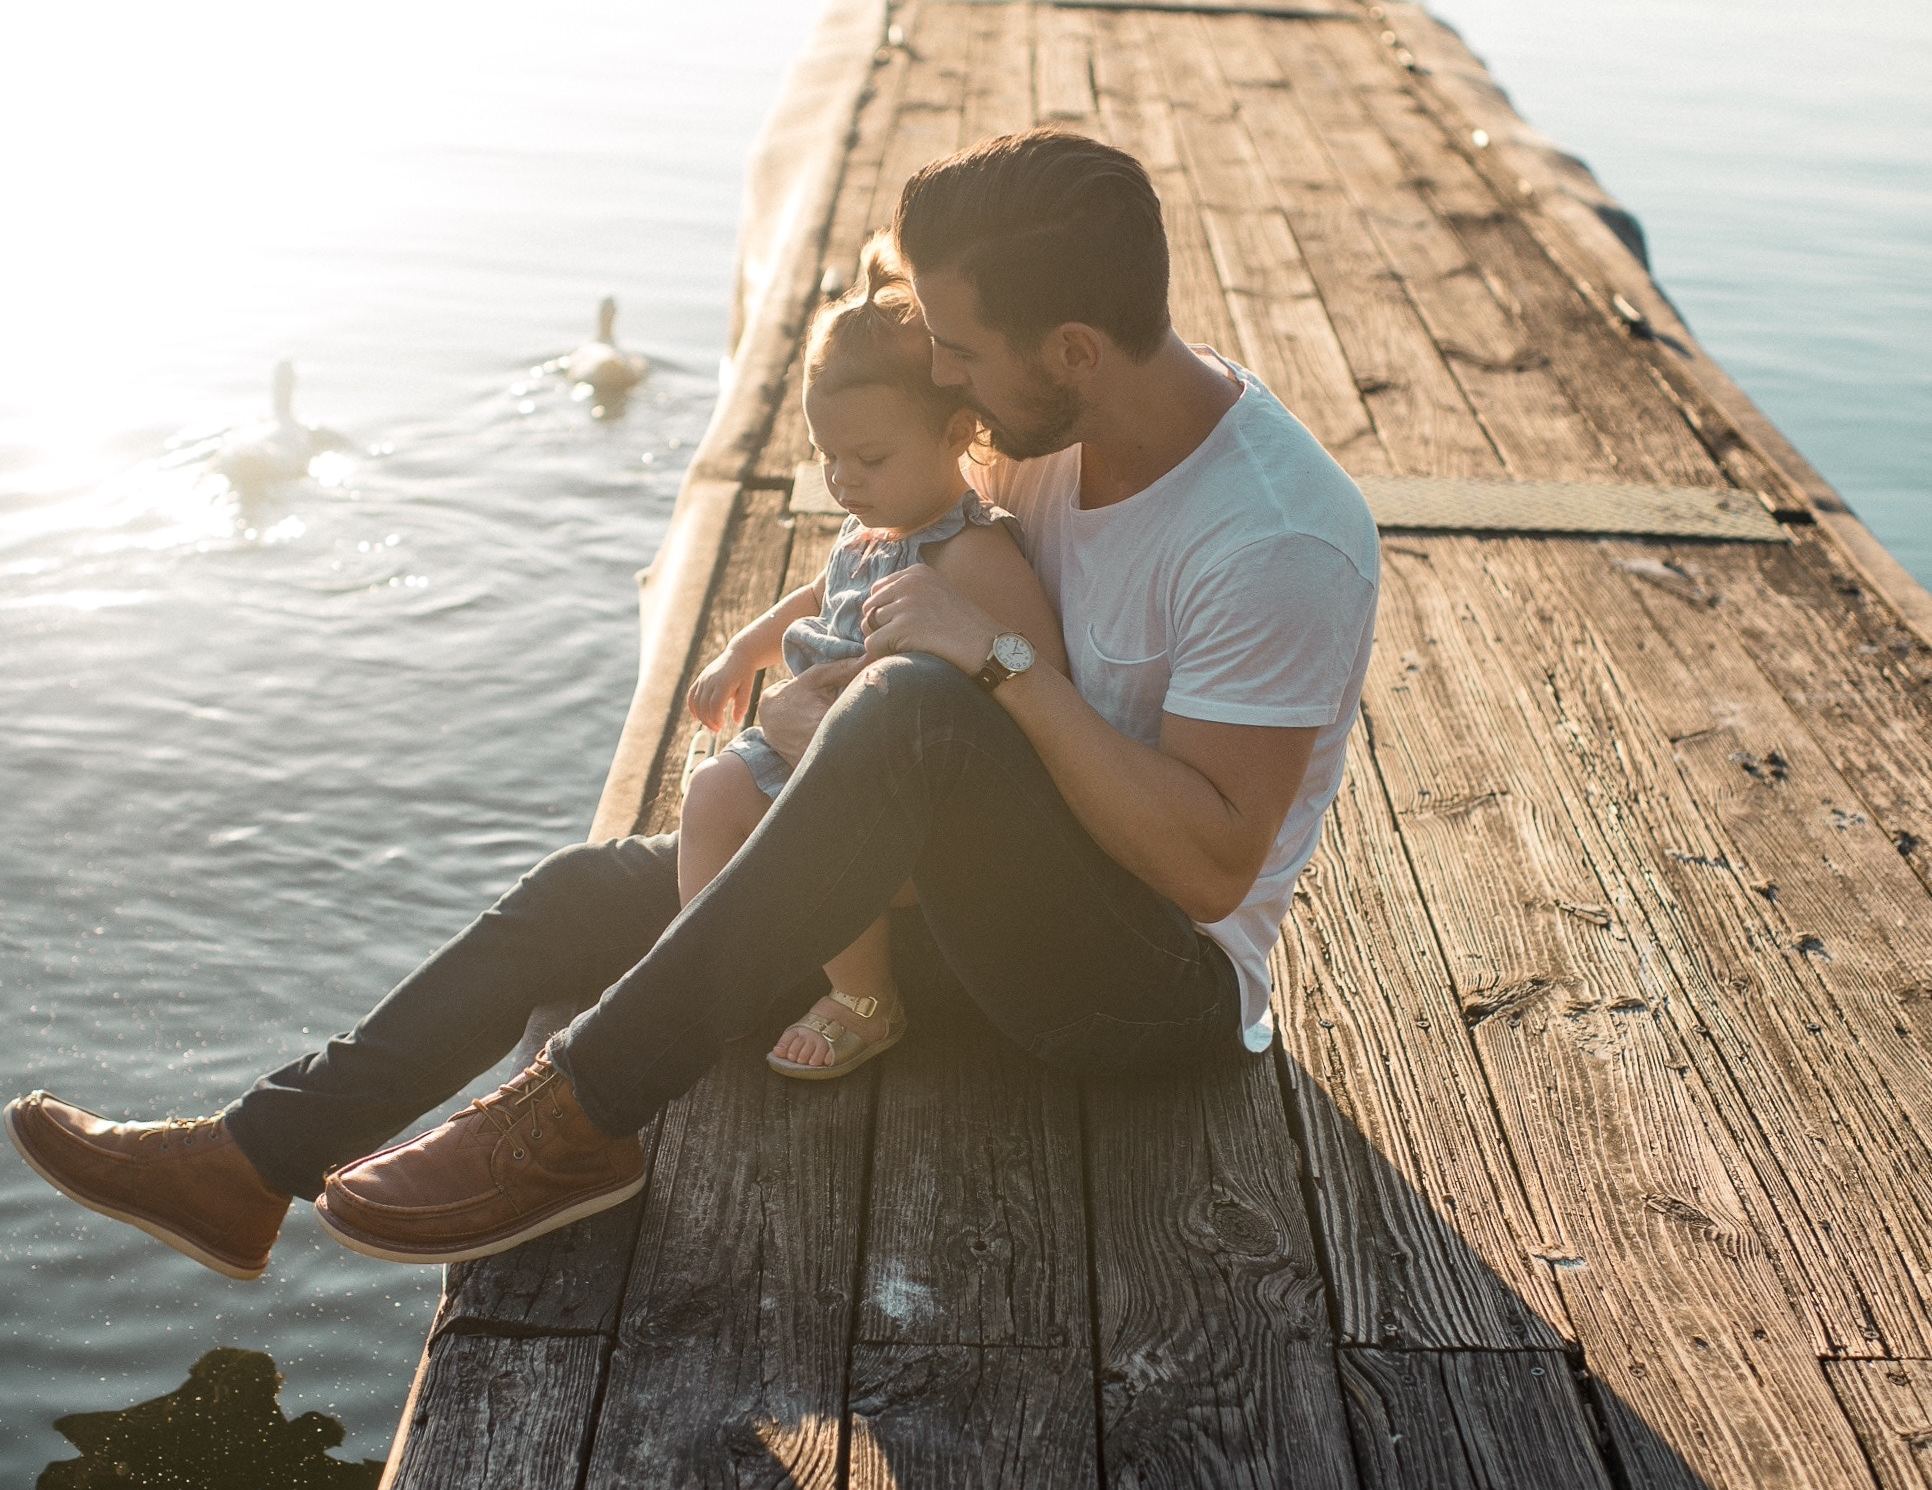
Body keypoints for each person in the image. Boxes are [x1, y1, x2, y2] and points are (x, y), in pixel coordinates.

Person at [4, 127, 1379, 1277]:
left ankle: (577, 1116)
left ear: (1072, 349)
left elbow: (1208, 870)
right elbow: (905, 576)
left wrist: (993, 668)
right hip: (966, 909)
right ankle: (250, 1162)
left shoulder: (1274, 536)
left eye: (960, 349)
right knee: (580, 893)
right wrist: (801, 661)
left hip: (1142, 989)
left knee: (913, 711)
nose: (941, 375)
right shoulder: (1042, 438)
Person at [681, 232, 1065, 1079]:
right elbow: (819, 595)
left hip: (891, 782)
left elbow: (1038, 675)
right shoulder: (871, 528)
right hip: (809, 733)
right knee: (709, 793)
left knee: (820, 835)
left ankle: (865, 996)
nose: (845, 483)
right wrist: (746, 650)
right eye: (828, 462)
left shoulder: (970, 552)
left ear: (959, 430)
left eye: (870, 458)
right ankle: (710, 975)